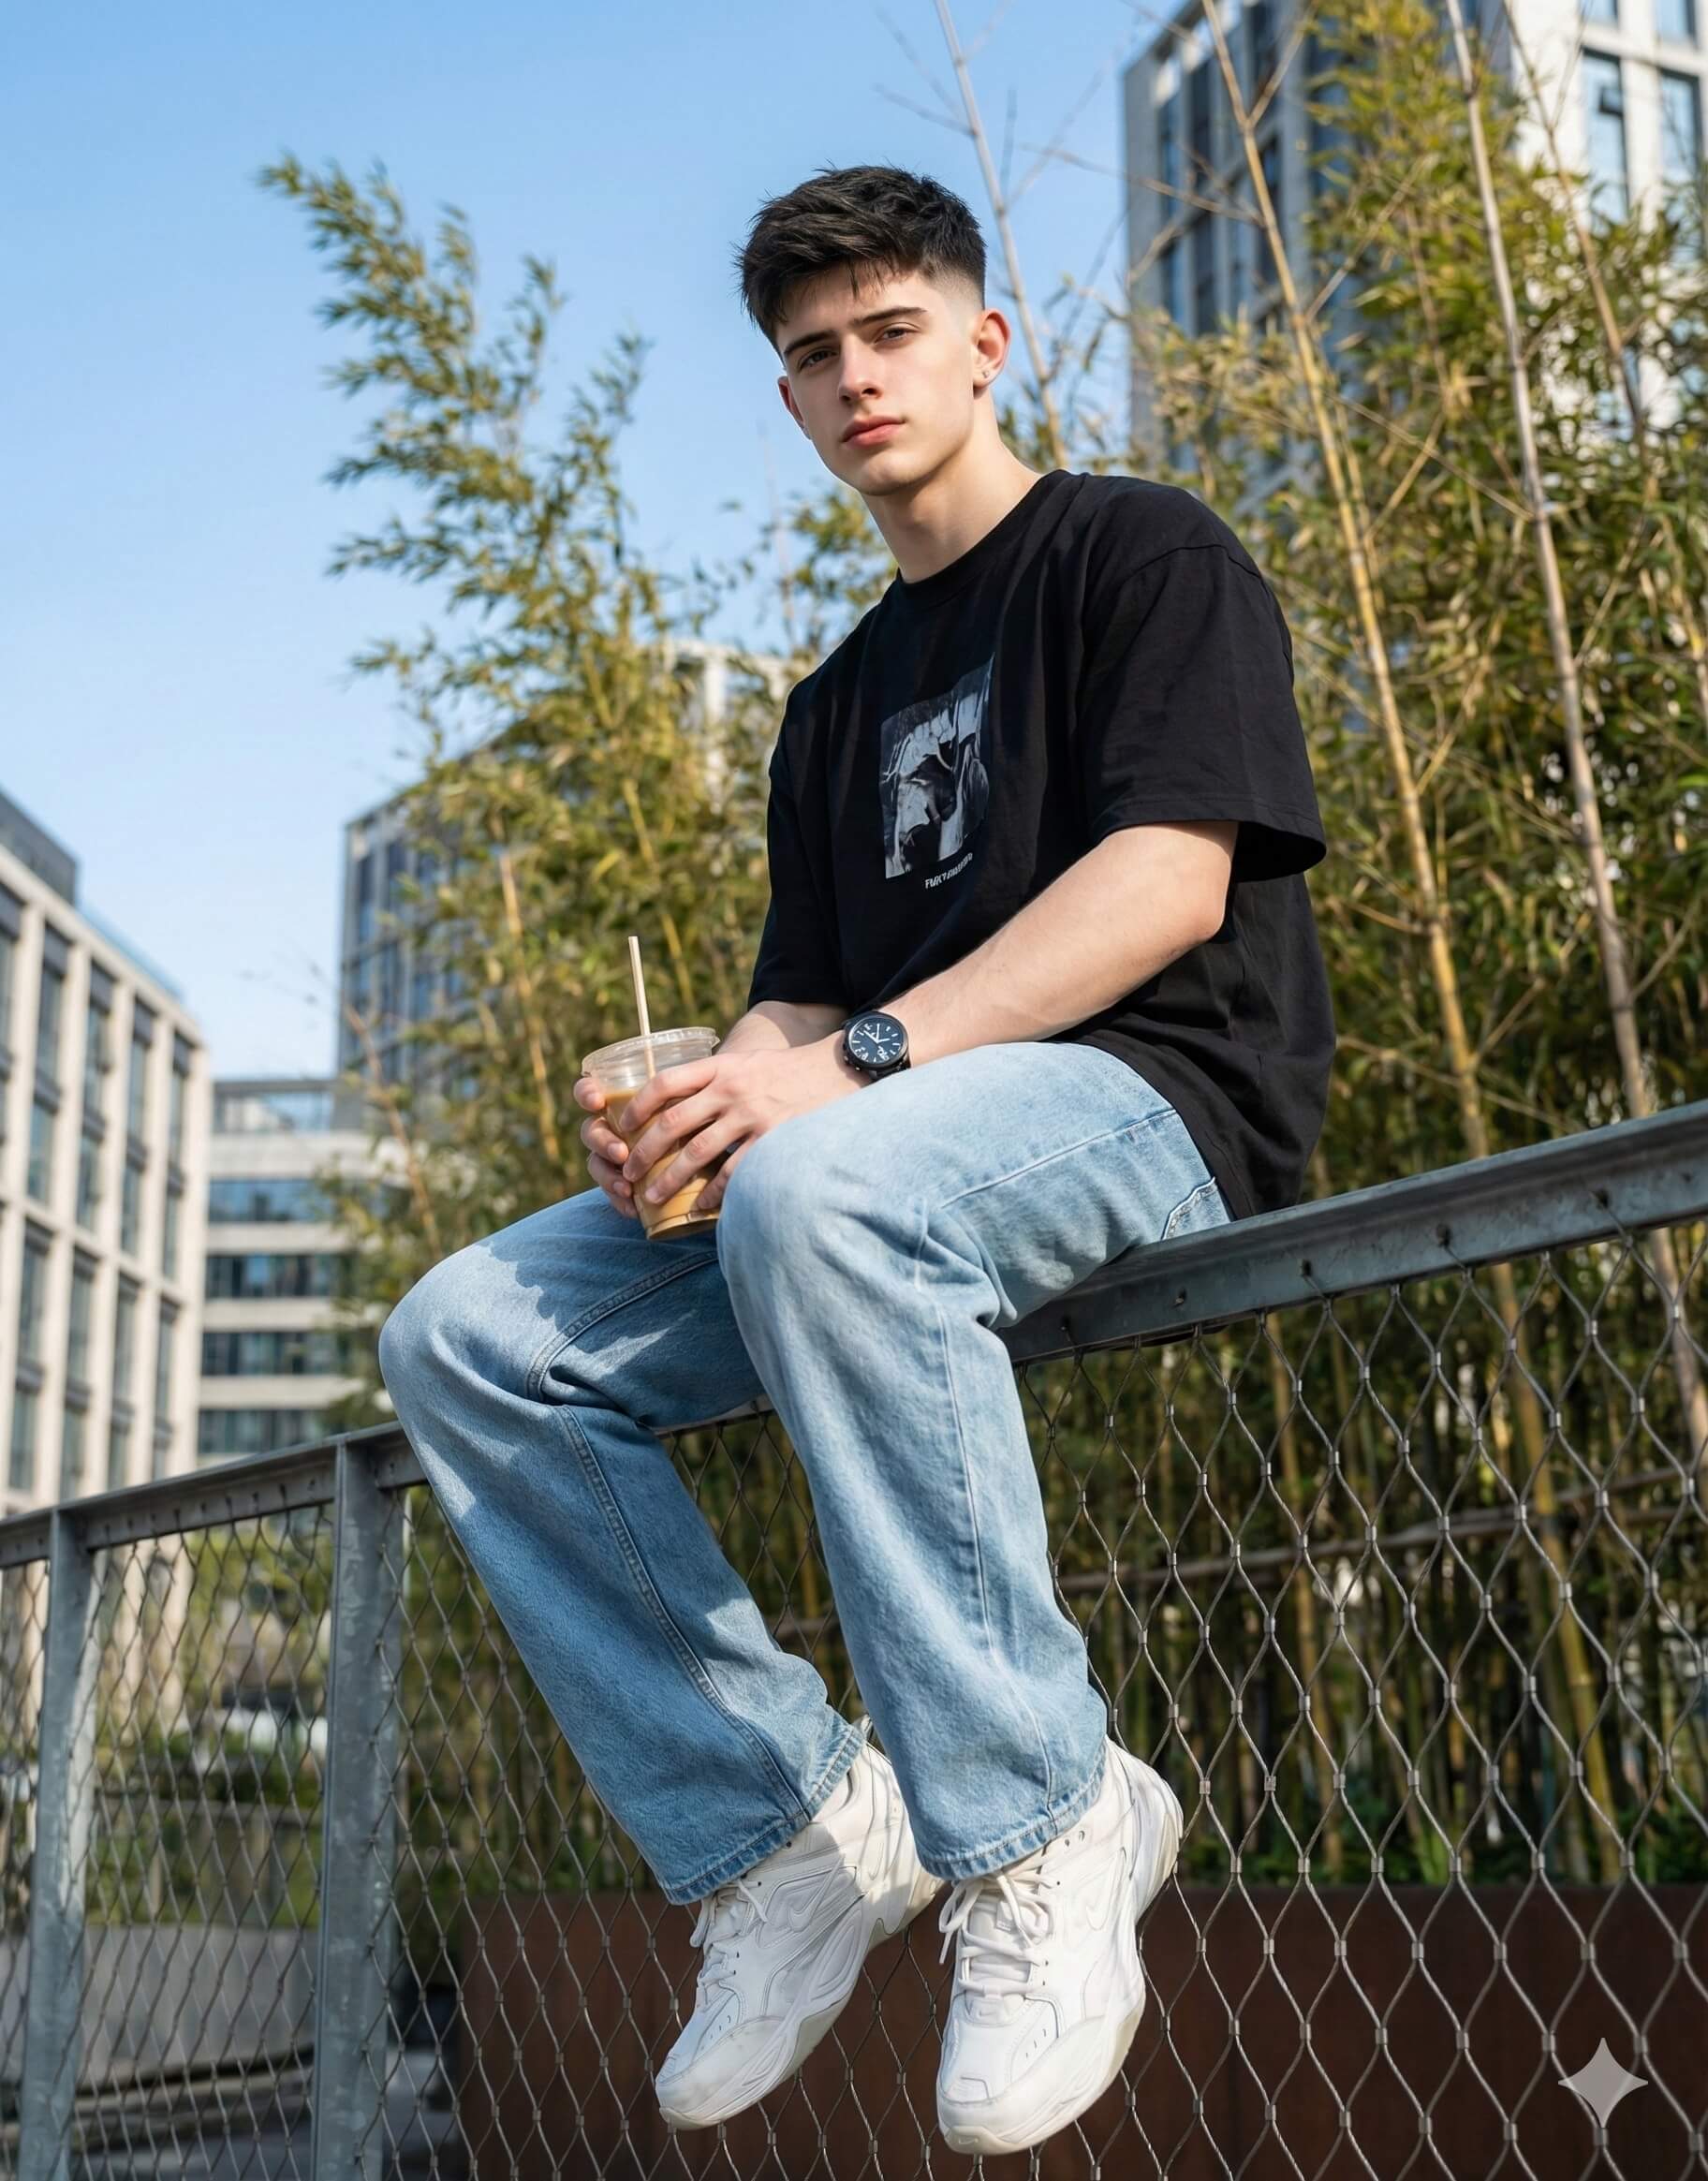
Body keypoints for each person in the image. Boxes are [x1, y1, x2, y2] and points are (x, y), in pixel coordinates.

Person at [377, 161, 1334, 2159]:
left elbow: (1169, 880)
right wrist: (704, 1105)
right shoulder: (831, 709)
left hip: (1156, 1096)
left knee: (827, 1181)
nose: (854, 375)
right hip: (876, 1157)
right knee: (467, 1330)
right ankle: (793, 1830)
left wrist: (856, 1074)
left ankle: (1050, 1821)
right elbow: (798, 1013)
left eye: (891, 331)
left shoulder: (1143, 555)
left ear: (989, 342)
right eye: (813, 356)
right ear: (793, 403)